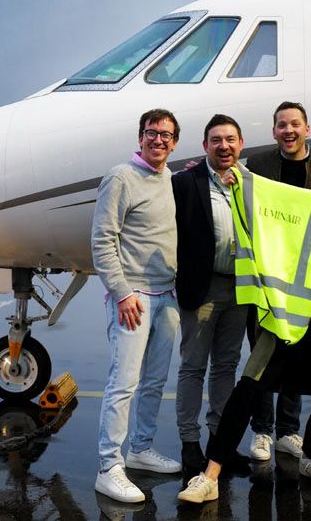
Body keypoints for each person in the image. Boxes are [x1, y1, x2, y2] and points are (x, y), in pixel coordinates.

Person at [178, 138, 311, 504]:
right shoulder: (299, 199)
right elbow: (262, 209)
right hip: (292, 312)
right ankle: (210, 475)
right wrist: (221, 180)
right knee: (249, 386)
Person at [91, 108, 182, 503]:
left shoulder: (171, 180)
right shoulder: (120, 177)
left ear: (174, 141)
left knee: (155, 382)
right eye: (151, 133)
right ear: (140, 137)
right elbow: (102, 240)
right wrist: (122, 292)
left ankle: (141, 450)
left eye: (166, 135)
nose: (158, 140)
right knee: (123, 384)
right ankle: (109, 467)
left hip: (168, 296)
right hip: (135, 298)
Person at [172, 114, 250, 475]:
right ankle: (190, 444)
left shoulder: (251, 185)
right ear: (205, 146)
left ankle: (220, 444)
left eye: (230, 140)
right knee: (192, 366)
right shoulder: (185, 182)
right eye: (216, 140)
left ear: (241, 144)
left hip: (240, 287)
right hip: (202, 288)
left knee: (226, 367)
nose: (224, 146)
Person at [243, 101, 311, 461]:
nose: (289, 130)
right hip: (266, 275)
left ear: (306, 130)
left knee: (293, 356)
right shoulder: (258, 165)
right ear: (274, 132)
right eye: (282, 125)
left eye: (295, 124)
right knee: (262, 355)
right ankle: (261, 432)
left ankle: (288, 431)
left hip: (304, 278)